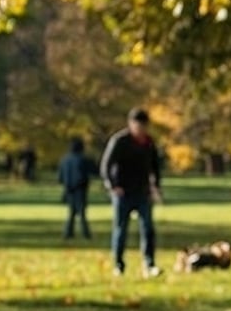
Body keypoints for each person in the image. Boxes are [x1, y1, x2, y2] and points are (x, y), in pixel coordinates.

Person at [100, 109, 164, 277]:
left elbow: (155, 167)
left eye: (143, 127)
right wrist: (113, 186)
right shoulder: (120, 141)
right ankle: (119, 265)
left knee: (148, 228)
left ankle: (149, 264)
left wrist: (155, 186)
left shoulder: (149, 143)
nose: (141, 130)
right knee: (121, 229)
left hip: (143, 192)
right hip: (123, 193)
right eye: (138, 126)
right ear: (131, 124)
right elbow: (106, 165)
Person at [55, 136, 93, 241]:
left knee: (71, 212)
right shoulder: (83, 159)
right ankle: (86, 233)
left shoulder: (65, 160)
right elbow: (86, 174)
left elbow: (60, 177)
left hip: (68, 188)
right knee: (82, 213)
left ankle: (68, 233)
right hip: (80, 189)